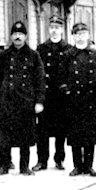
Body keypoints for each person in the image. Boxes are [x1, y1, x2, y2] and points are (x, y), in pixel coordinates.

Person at [0, 21, 45, 176]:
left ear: (25, 36)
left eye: (20, 34)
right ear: (11, 36)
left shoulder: (34, 55)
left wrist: (39, 101)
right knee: (4, 137)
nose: (17, 37)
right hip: (7, 101)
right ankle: (4, 165)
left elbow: (40, 80)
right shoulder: (3, 55)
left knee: (25, 136)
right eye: (15, 34)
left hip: (26, 101)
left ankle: (24, 166)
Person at [62, 22, 96, 177]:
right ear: (73, 36)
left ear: (88, 36)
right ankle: (77, 166)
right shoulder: (68, 55)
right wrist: (67, 91)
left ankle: (89, 166)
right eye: (77, 34)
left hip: (91, 100)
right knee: (75, 134)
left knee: (90, 135)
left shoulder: (95, 55)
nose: (81, 37)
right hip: (74, 101)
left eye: (83, 34)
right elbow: (61, 77)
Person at [34, 15, 72, 171]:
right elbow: (37, 72)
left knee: (61, 130)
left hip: (61, 96)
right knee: (42, 129)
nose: (54, 30)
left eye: (57, 28)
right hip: (46, 94)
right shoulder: (41, 48)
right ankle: (42, 160)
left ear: (62, 29)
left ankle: (59, 159)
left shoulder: (68, 48)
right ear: (48, 29)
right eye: (52, 28)